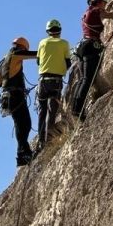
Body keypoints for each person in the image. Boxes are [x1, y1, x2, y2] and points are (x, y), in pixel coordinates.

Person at [71, 0, 113, 118]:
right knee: (88, 79)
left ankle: (75, 108)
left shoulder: (86, 14)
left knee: (83, 79)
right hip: (91, 47)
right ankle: (79, 110)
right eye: (104, 3)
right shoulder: (96, 11)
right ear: (99, 2)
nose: (105, 5)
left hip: (83, 47)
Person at [0, 36, 36, 167]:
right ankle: (23, 154)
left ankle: (22, 153)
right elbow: (34, 55)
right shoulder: (16, 53)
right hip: (15, 95)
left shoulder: (3, 61)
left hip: (7, 96)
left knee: (20, 123)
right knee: (25, 124)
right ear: (23, 47)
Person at [35, 19, 71, 150]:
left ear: (48, 31)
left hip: (43, 80)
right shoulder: (64, 43)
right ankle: (48, 137)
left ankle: (40, 140)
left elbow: (38, 61)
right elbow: (68, 63)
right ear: (59, 31)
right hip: (56, 80)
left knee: (42, 111)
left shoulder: (42, 43)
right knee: (52, 110)